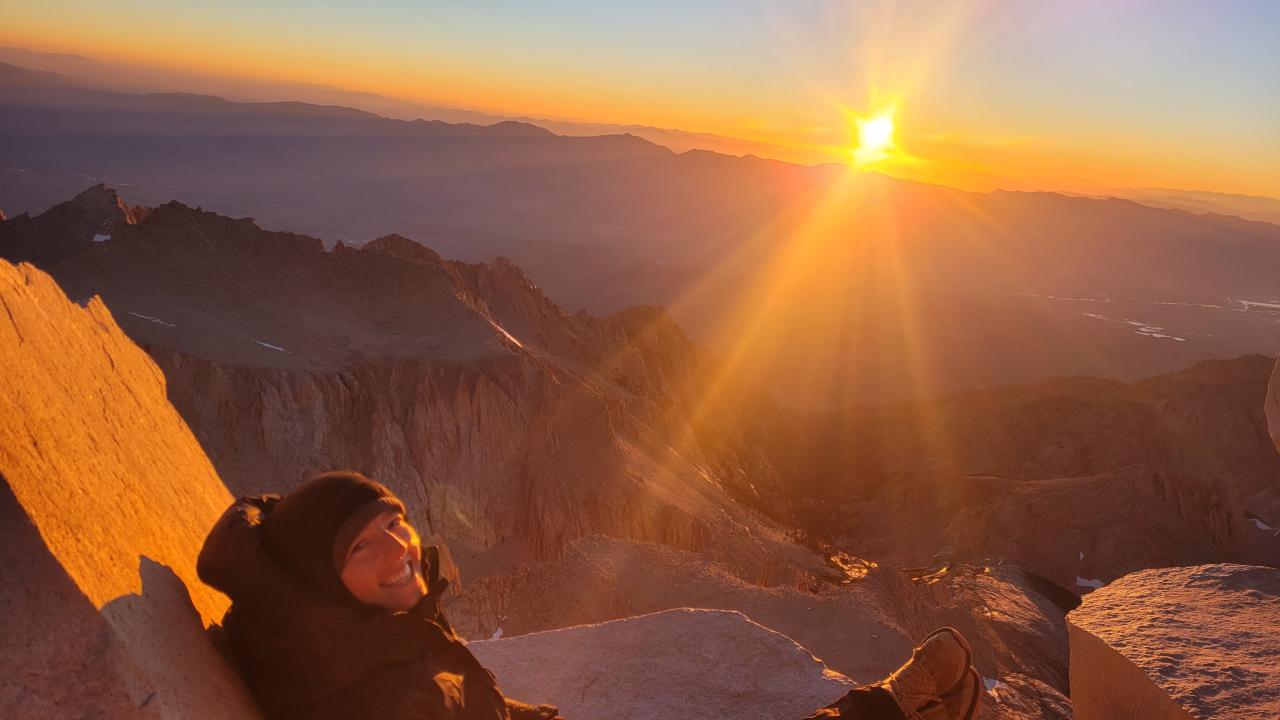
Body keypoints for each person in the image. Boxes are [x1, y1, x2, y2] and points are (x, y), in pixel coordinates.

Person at [198, 471, 981, 720]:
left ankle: (892, 709)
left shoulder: (334, 639)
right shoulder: (351, 679)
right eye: (361, 548)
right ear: (317, 580)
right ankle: (895, 709)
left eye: (394, 524)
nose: (399, 550)